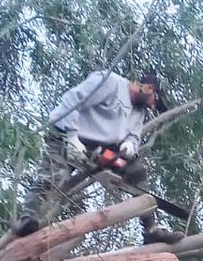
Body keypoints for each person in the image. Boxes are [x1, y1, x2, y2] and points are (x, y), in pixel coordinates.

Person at [14, 68, 181, 243]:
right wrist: (72, 135)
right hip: (64, 135)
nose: (152, 107)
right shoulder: (110, 83)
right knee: (52, 178)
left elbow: (133, 135)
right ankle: (29, 219)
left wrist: (129, 145)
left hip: (98, 148)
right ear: (148, 88)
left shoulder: (139, 111)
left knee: (136, 170)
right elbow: (74, 99)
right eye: (154, 101)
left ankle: (150, 230)